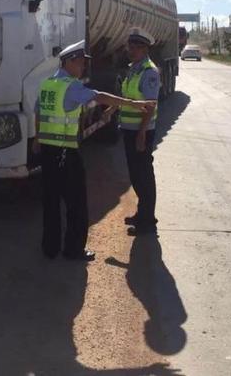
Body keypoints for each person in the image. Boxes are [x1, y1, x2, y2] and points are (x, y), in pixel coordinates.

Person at [34, 40, 155, 261]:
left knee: (50, 201)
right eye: (80, 63)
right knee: (76, 203)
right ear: (69, 63)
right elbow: (99, 96)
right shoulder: (70, 86)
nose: (83, 68)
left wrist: (37, 139)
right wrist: (134, 104)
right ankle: (73, 250)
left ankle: (49, 248)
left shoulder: (47, 84)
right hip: (66, 153)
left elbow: (38, 113)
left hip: (48, 152)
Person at [120, 28, 161, 236]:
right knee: (136, 175)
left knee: (143, 175)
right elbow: (128, 98)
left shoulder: (149, 71)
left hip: (140, 131)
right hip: (129, 130)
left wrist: (142, 133)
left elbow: (150, 105)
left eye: (137, 47)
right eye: (130, 46)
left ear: (145, 49)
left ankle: (147, 221)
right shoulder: (134, 68)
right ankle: (141, 214)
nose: (132, 50)